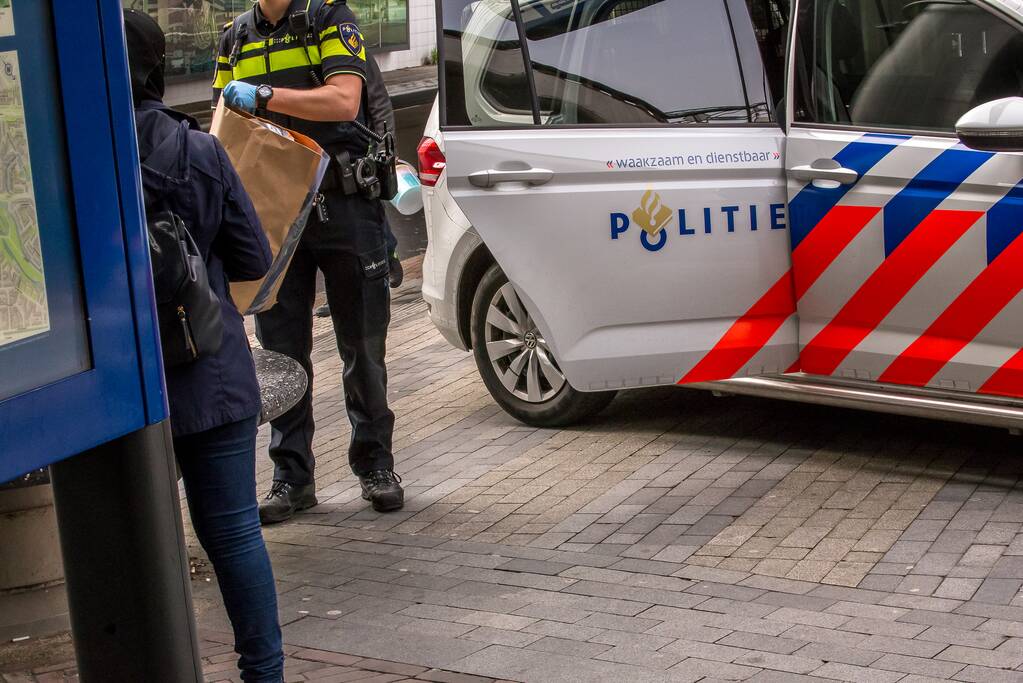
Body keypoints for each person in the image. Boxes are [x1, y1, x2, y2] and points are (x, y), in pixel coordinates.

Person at [124, 10, 284, 681]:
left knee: (134, 546)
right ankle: (264, 672)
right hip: (213, 374)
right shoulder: (198, 149)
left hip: (127, 390)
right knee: (234, 532)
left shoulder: (77, 158)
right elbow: (253, 256)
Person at [214, 0, 404, 524]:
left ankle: (376, 465)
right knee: (281, 351)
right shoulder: (234, 39)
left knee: (363, 347)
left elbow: (345, 101)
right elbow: (225, 127)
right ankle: (291, 478)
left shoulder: (330, 19)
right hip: (272, 213)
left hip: (344, 203)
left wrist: (268, 96)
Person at [316, 53, 401, 319]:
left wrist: (384, 150)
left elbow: (378, 101)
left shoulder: (349, 44)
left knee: (367, 217)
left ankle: (388, 260)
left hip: (358, 160)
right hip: (321, 168)